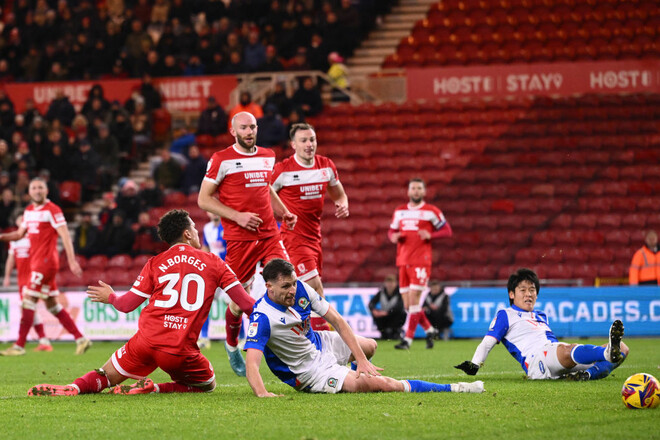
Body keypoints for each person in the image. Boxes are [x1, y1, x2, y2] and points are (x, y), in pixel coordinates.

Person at [27, 209, 256, 397]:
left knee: (105, 375)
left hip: (145, 342)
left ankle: (74, 387)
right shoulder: (214, 262)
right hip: (179, 350)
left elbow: (126, 304)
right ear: (187, 234)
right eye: (195, 228)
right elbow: (247, 306)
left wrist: (111, 297)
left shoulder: (155, 263)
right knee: (208, 384)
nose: (197, 232)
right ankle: (154, 388)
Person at [245, 258, 484, 396]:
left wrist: (360, 359)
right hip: (309, 372)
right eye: (286, 286)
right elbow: (252, 364)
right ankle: (456, 388)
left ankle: (349, 371)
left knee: (369, 347)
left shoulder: (302, 289)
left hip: (319, 342)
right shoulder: (262, 317)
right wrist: (262, 393)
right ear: (269, 287)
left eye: (294, 283)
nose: (292, 290)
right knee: (382, 384)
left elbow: (338, 321)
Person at [198, 111, 297, 376]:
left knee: (289, 279)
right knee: (237, 301)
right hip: (239, 240)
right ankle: (232, 345)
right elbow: (204, 200)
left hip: (268, 235)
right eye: (244, 127)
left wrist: (283, 211)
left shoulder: (267, 155)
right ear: (233, 131)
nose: (249, 131)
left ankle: (296, 346)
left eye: (253, 126)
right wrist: (237, 216)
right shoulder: (221, 159)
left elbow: (266, 188)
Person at [455, 268, 628, 381]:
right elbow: (488, 342)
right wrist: (475, 363)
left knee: (623, 348)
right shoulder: (505, 314)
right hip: (537, 360)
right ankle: (606, 354)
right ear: (512, 294)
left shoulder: (541, 315)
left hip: (554, 354)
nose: (528, 294)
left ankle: (586, 375)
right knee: (569, 349)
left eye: (532, 290)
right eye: (523, 290)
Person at [0, 178, 91, 356]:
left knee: (28, 301)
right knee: (52, 306)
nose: (37, 190)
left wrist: (72, 261)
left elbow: (65, 235)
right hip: (37, 262)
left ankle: (19, 345)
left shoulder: (53, 210)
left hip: (46, 262)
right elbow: (19, 234)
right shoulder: (28, 211)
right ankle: (81, 339)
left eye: (40, 187)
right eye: (34, 187)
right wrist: (2, 237)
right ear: (29, 191)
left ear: (46, 190)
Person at [271, 123, 349, 329]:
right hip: (293, 237)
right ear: (293, 144)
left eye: (312, 140)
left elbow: (338, 193)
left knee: (305, 293)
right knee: (316, 290)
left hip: (315, 238)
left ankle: (299, 333)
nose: (309, 144)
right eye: (303, 140)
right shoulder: (282, 170)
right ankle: (323, 344)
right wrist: (283, 212)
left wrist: (343, 203)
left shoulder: (326, 166)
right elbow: (264, 194)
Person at [389, 178, 452, 350]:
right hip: (403, 261)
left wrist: (431, 235)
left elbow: (447, 230)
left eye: (419, 188)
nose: (416, 191)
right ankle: (430, 330)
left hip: (420, 262)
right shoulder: (400, 211)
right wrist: (393, 237)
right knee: (409, 306)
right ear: (408, 192)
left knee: (415, 301)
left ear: (424, 192)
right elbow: (392, 230)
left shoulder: (431, 211)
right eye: (413, 188)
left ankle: (407, 340)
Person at [3, 214, 52, 351]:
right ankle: (44, 341)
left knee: (27, 308)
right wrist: (7, 276)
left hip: (32, 278)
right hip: (21, 280)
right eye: (20, 219)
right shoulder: (14, 241)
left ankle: (25, 342)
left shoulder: (34, 238)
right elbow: (10, 259)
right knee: (29, 309)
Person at [197, 211, 227, 350]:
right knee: (204, 303)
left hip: (228, 270)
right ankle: (204, 337)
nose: (214, 213)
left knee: (234, 305)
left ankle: (241, 338)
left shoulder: (227, 226)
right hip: (212, 271)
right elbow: (205, 248)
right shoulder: (207, 228)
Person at [368, 274, 406, 340]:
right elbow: (371, 303)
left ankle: (396, 332)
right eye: (388, 283)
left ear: (395, 283)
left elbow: (400, 306)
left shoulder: (400, 293)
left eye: (392, 283)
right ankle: (383, 333)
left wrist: (387, 312)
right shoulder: (381, 292)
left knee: (402, 313)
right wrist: (374, 310)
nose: (390, 285)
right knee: (375, 315)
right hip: (384, 316)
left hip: (394, 316)